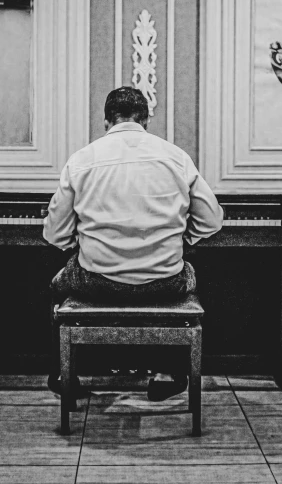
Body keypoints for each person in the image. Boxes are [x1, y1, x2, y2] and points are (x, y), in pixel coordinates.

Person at [43, 86, 223, 400]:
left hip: (97, 281)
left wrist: (80, 240)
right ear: (146, 120)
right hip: (164, 281)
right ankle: (169, 371)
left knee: (57, 284)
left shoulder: (82, 159)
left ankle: (68, 373)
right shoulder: (176, 157)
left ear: (105, 121)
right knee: (190, 273)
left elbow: (54, 234)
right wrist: (185, 238)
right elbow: (211, 220)